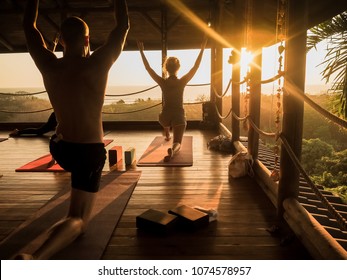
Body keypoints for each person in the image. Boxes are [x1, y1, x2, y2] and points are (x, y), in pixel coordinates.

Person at [15, 0, 129, 260]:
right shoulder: (98, 63)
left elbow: (28, 26)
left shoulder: (49, 64)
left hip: (60, 149)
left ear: (61, 40)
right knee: (77, 219)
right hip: (89, 153)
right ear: (87, 39)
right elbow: (123, 26)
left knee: (62, 139)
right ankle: (34, 258)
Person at [137, 38, 207, 161]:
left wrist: (141, 51)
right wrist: (202, 49)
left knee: (164, 116)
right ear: (178, 68)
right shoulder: (182, 82)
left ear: (166, 68)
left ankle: (167, 131)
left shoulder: (162, 82)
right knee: (178, 142)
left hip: (164, 118)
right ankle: (173, 150)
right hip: (178, 116)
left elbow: (148, 68)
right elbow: (195, 66)